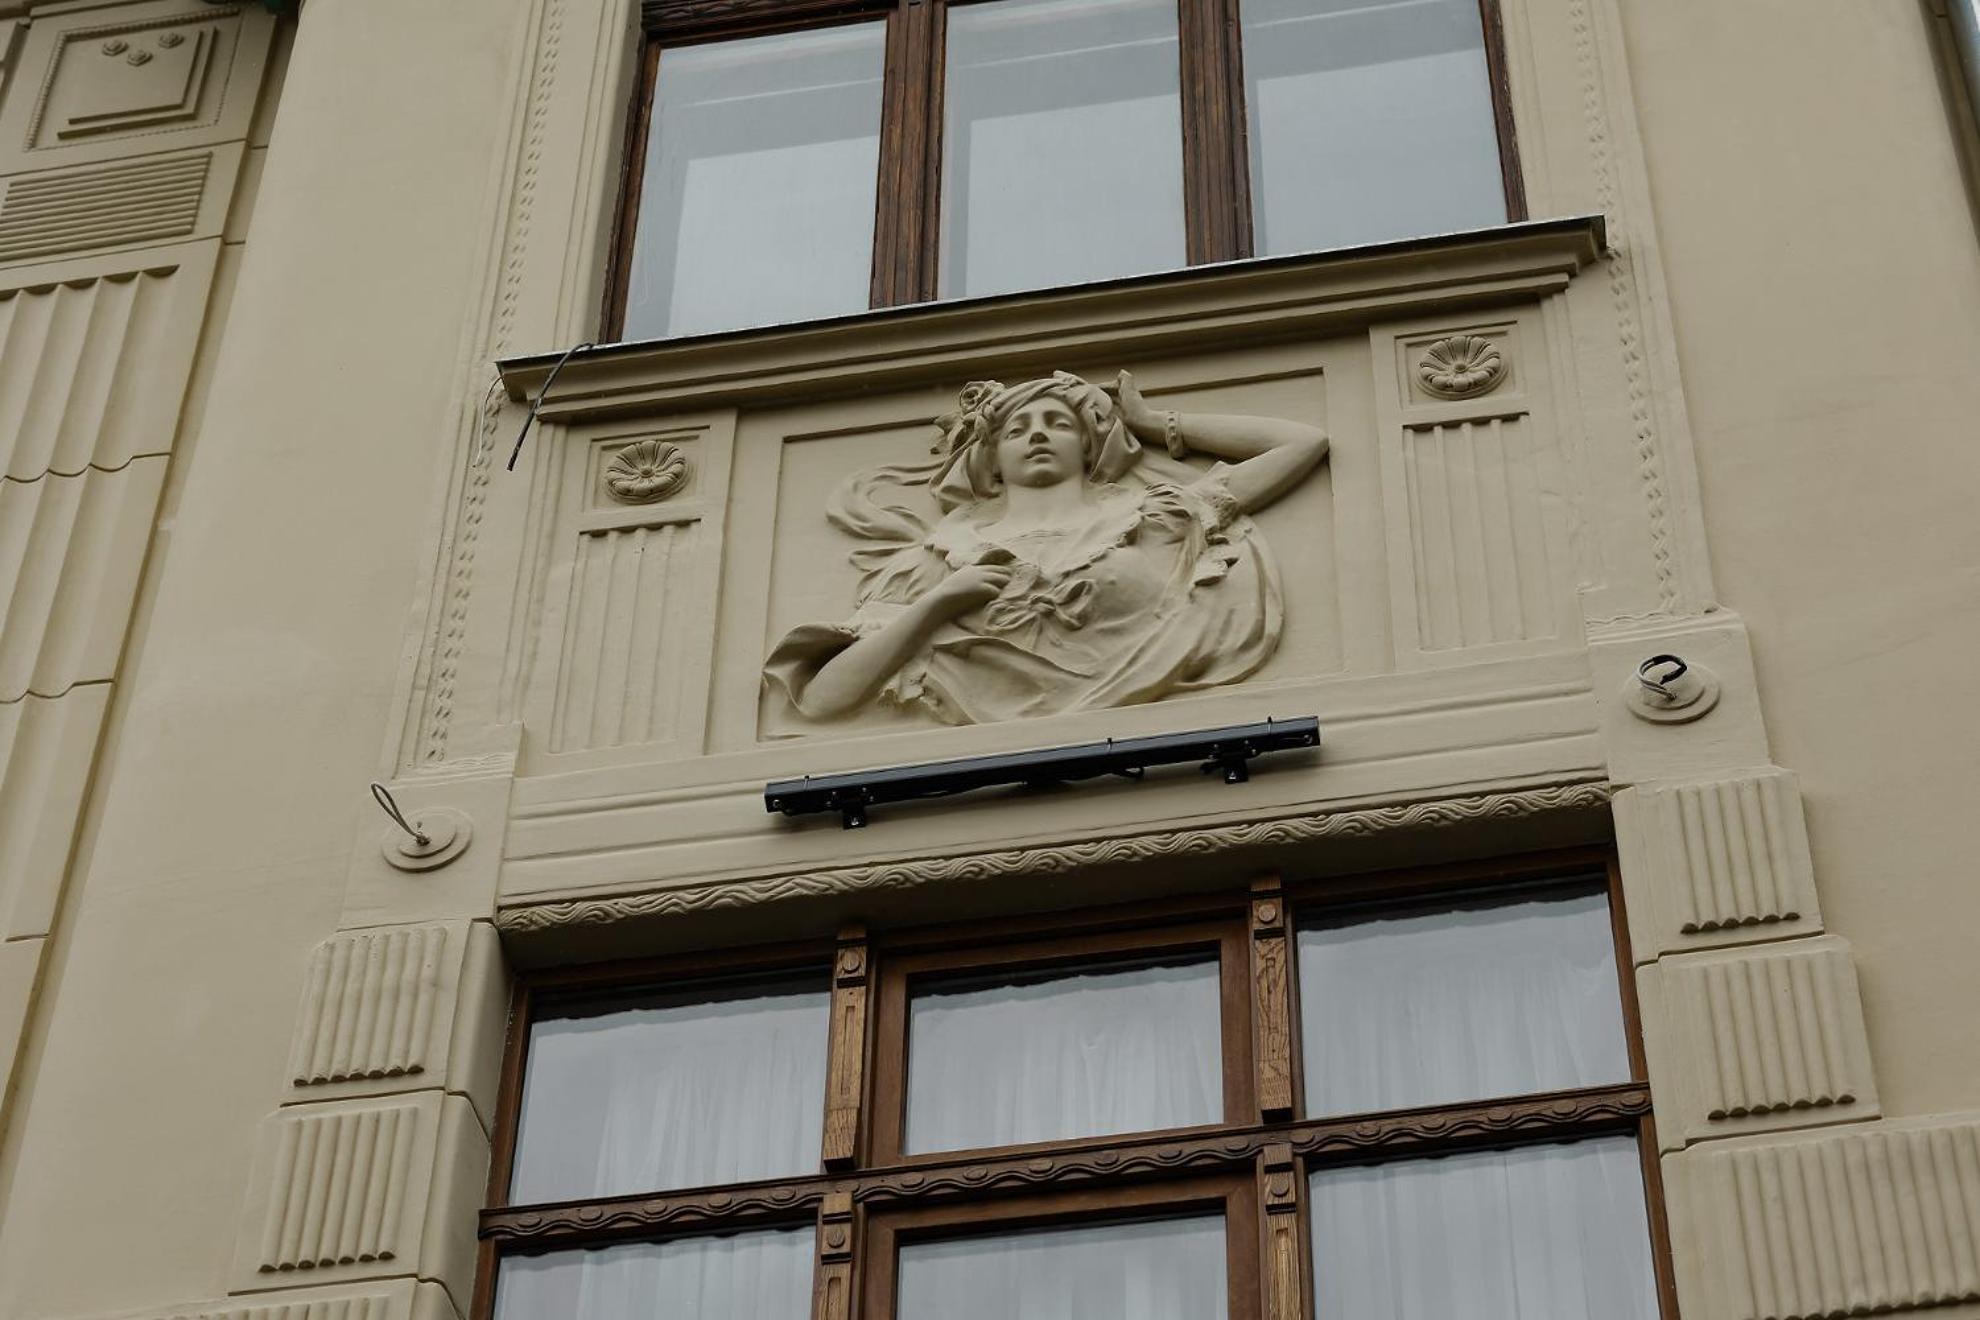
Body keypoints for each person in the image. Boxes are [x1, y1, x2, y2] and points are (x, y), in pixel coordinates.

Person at [764, 369, 1329, 726]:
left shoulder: (1155, 520)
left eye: (1057, 423)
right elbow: (820, 699)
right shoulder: (939, 559)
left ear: (1088, 447)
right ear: (990, 461)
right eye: (1016, 430)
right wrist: (937, 604)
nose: (1036, 434)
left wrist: (1155, 425)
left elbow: (1302, 443)